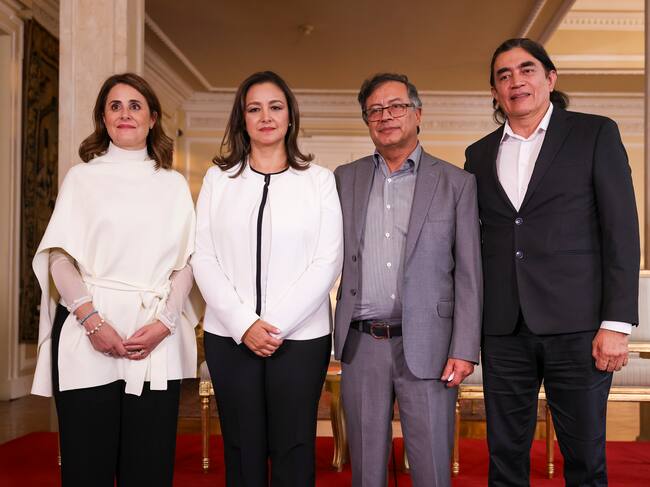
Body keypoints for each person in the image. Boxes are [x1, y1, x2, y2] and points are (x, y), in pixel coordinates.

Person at [464, 38, 640, 486]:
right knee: (504, 459)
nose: (516, 81)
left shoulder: (595, 134)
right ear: (494, 91)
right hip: (503, 329)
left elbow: (621, 232)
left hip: (579, 329)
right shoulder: (477, 155)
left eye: (527, 70)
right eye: (504, 75)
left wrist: (616, 324)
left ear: (550, 78)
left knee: (584, 460)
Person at [31, 73, 197, 487]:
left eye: (135, 105)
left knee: (149, 467)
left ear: (152, 118)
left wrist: (165, 323)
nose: (125, 114)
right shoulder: (81, 178)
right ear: (103, 119)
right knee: (87, 466)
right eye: (115, 106)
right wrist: (92, 321)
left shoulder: (173, 184)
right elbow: (60, 258)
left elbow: (189, 263)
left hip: (154, 332)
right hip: (87, 330)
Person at [192, 70, 343, 487]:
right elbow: (203, 256)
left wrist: (273, 325)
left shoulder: (319, 181)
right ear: (242, 119)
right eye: (254, 109)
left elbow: (327, 261)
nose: (266, 117)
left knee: (294, 446)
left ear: (290, 116)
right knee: (242, 448)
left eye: (275, 107)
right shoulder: (218, 180)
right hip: (230, 336)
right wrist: (245, 324)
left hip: (301, 338)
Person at [334, 73, 482, 487]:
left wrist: (464, 349)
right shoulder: (343, 179)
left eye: (396, 106)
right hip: (361, 343)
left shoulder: (456, 183)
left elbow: (469, 272)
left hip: (430, 345)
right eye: (375, 110)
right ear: (367, 121)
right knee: (366, 470)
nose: (386, 116)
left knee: (432, 466)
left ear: (417, 114)